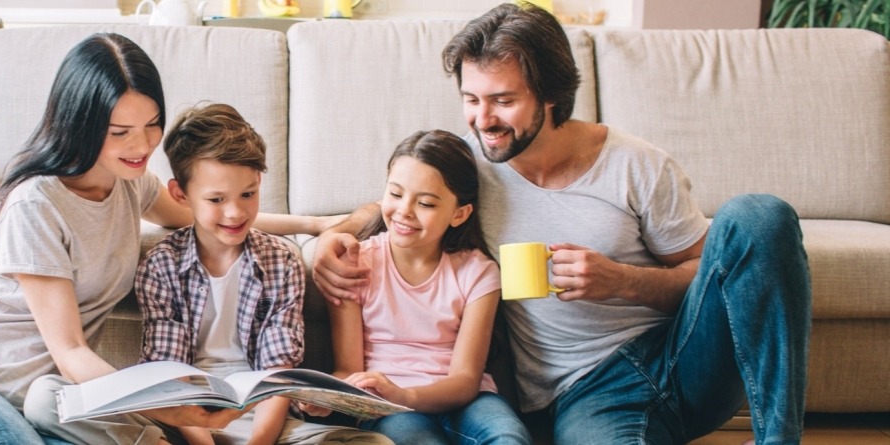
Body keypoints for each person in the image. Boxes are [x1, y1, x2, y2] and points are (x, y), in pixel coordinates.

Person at [310, 4, 812, 445]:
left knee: (758, 216)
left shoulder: (637, 166)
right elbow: (403, 204)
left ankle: (779, 439)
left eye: (503, 101)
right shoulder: (479, 167)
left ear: (551, 94)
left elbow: (711, 275)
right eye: (471, 99)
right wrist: (341, 233)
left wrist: (623, 281)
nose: (483, 120)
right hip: (586, 392)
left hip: (682, 359)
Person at [0, 33, 330, 445]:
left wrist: (316, 226)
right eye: (120, 132)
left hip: (45, 403)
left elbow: (212, 213)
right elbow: (71, 352)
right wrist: (172, 410)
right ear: (80, 124)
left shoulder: (131, 182)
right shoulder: (36, 205)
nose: (141, 146)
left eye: (151, 124)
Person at [303, 130, 531, 444]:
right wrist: (326, 399)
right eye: (395, 194)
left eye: (425, 203)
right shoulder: (354, 265)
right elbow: (347, 370)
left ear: (459, 214)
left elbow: (465, 381)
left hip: (467, 400)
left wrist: (405, 393)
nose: (404, 211)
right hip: (388, 407)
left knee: (508, 436)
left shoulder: (479, 272)